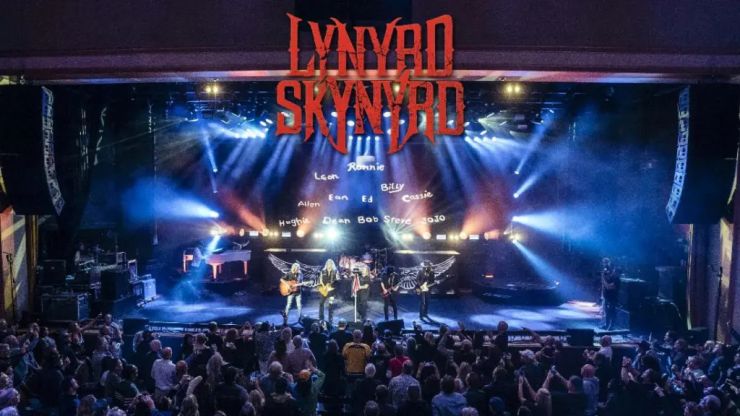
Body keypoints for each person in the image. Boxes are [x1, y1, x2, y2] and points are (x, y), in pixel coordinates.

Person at [600, 258, 620, 330]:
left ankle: (612, 326)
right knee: (606, 311)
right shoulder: (611, 277)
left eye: (614, 270)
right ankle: (606, 324)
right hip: (607, 296)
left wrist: (603, 278)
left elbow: (608, 287)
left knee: (612, 311)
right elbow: (605, 286)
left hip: (613, 298)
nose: (612, 271)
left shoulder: (617, 279)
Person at [317, 260, 340, 324]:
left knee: (330, 305)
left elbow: (338, 280)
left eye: (330, 263)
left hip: (331, 291)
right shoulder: (323, 271)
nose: (329, 264)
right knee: (321, 303)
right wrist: (323, 286)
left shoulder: (335, 271)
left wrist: (332, 285)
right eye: (328, 263)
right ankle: (321, 318)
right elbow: (320, 279)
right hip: (324, 290)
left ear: (332, 264)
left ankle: (330, 319)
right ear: (326, 264)